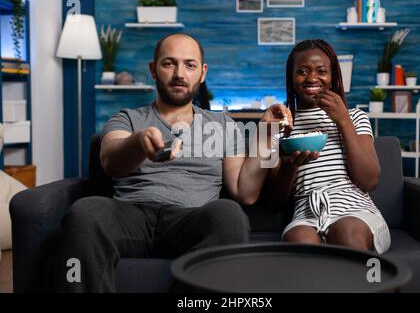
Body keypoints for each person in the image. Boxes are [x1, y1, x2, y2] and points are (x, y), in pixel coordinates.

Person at [53, 33, 292, 292]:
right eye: (169, 63)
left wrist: (267, 133)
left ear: (202, 73)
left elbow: (245, 193)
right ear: (154, 70)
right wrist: (139, 143)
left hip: (191, 219)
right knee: (86, 211)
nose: (179, 73)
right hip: (131, 214)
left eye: (189, 65)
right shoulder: (128, 118)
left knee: (229, 214)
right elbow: (110, 160)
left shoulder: (223, 124)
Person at [269, 39, 391, 254]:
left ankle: (376, 283)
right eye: (303, 71)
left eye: (321, 71)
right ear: (291, 77)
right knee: (298, 241)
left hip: (355, 211)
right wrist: (290, 165)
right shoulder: (277, 125)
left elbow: (369, 180)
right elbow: (273, 202)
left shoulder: (355, 117)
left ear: (333, 76)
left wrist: (343, 121)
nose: (312, 78)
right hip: (306, 214)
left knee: (347, 232)